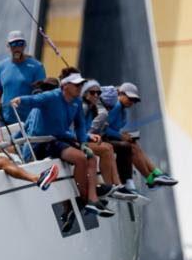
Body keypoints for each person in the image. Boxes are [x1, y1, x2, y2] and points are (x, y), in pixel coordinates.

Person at [10, 74, 114, 216]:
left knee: (91, 157)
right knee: (81, 158)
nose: (80, 88)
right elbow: (35, 100)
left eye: (81, 85)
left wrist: (84, 143)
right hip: (42, 144)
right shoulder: (52, 96)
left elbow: (80, 126)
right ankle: (84, 199)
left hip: (57, 140)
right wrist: (19, 100)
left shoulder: (76, 102)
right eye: (77, 85)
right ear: (66, 86)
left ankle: (92, 199)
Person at [101, 82, 178, 192]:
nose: (132, 103)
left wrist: (123, 135)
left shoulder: (122, 110)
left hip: (109, 137)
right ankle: (152, 177)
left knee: (134, 143)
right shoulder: (117, 106)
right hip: (102, 137)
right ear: (121, 94)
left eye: (135, 101)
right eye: (130, 98)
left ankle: (156, 174)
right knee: (131, 146)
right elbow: (103, 128)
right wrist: (121, 136)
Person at [0, 30, 46, 125]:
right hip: (6, 122)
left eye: (20, 44)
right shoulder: (1, 67)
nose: (17, 48)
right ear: (8, 46)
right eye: (13, 44)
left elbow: (41, 95)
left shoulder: (37, 67)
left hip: (29, 122)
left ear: (24, 45)